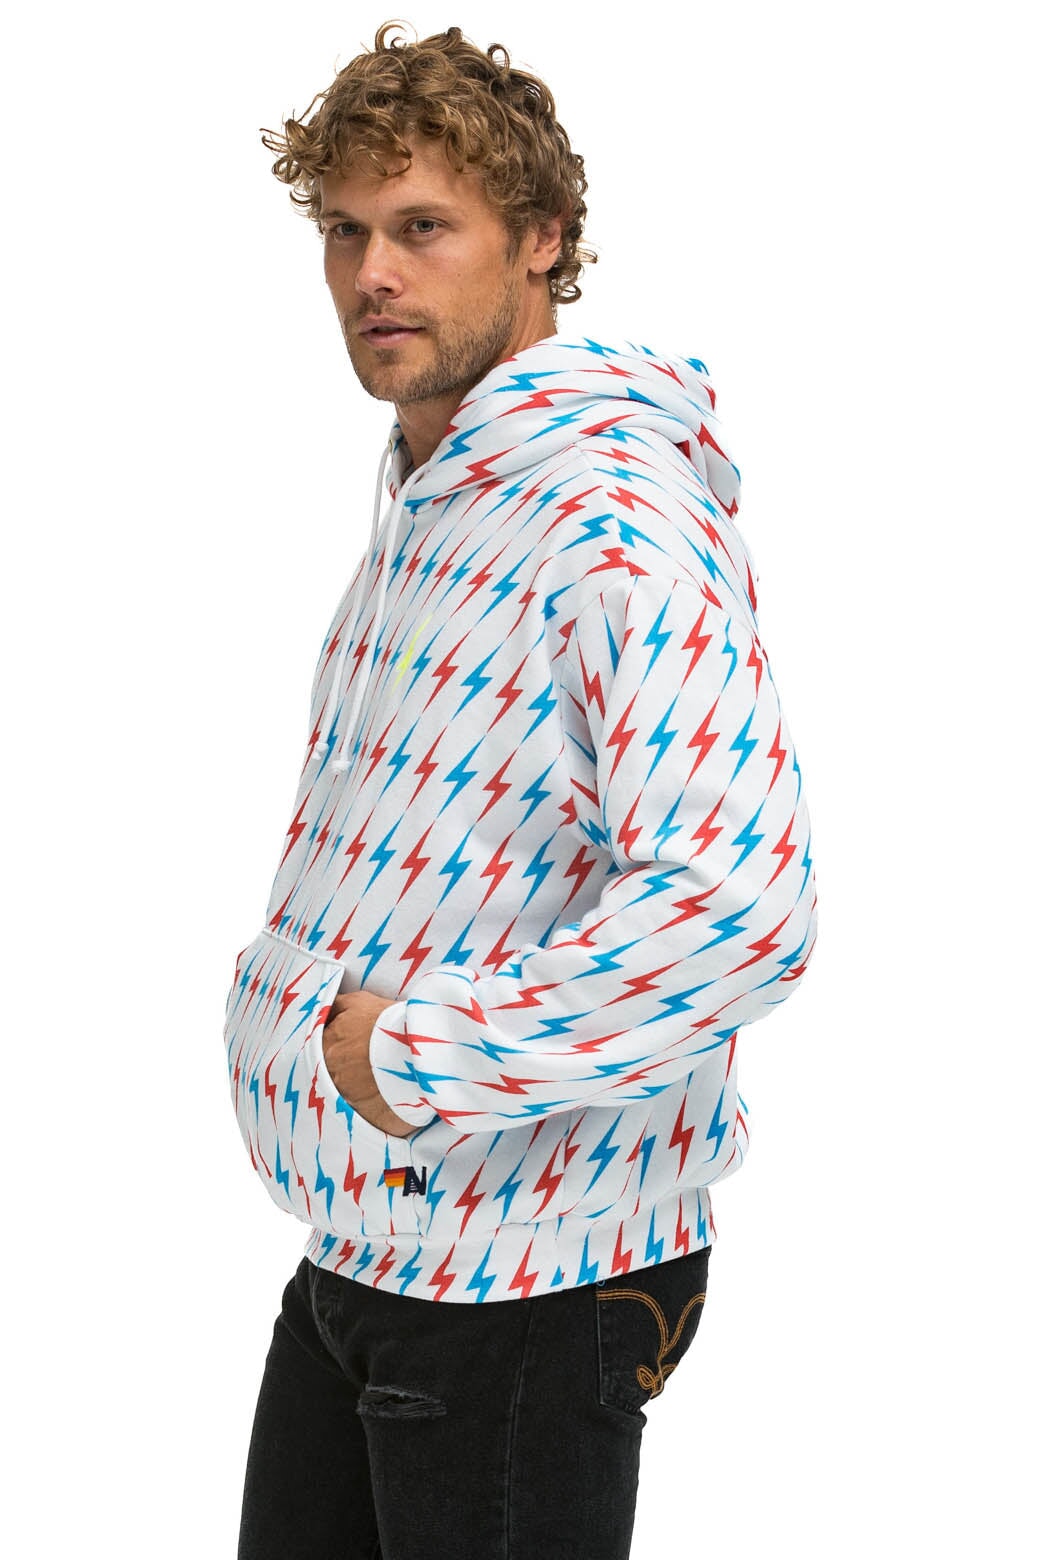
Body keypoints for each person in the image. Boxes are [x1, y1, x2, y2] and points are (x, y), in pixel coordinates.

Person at [225, 22, 817, 1560]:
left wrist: (417, 1055)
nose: (372, 275)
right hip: (369, 1252)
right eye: (344, 231)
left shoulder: (611, 519)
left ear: (543, 239)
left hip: (527, 1284)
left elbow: (740, 908)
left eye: (423, 227)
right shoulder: (440, 497)